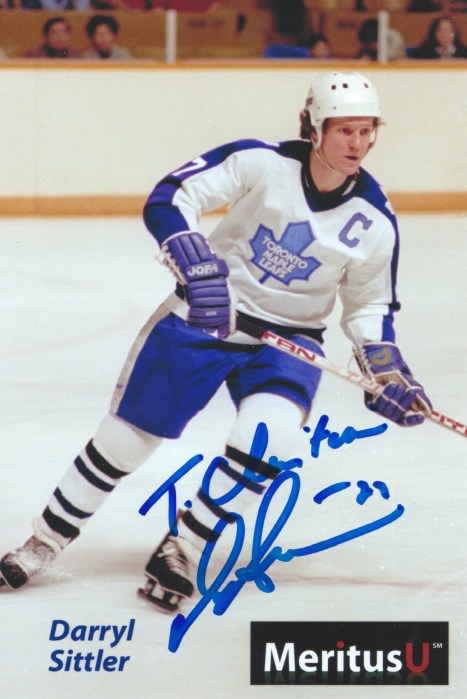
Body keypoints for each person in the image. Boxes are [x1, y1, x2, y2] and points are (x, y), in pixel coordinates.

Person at [0, 72, 432, 614]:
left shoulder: (375, 219)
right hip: (208, 317)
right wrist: (195, 259)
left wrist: (385, 371)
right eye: (345, 130)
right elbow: (173, 196)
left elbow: (369, 306)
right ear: (313, 127)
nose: (358, 144)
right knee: (126, 440)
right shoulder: (261, 162)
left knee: (269, 442)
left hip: (289, 341)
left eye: (367, 131)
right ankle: (44, 540)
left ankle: (183, 546)